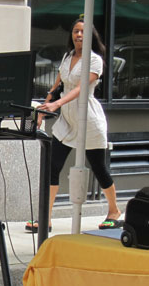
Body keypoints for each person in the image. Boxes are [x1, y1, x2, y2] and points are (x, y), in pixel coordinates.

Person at [26, 18, 122, 233]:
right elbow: (58, 83)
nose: (79, 35)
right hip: (67, 119)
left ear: (90, 36)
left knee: (98, 167)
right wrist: (47, 102)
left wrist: (58, 103)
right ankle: (46, 218)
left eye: (83, 32)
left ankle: (114, 211)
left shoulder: (94, 60)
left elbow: (80, 88)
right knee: (52, 167)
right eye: (76, 31)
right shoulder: (67, 57)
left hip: (87, 119)